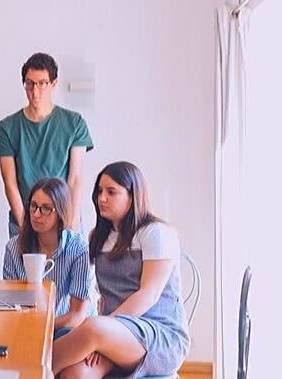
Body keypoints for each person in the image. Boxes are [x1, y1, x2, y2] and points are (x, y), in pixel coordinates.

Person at [52, 161, 189, 378]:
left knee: (92, 327)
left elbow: (149, 294)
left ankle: (29, 370)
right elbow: (104, 297)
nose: (101, 198)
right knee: (75, 373)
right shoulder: (98, 237)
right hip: (114, 335)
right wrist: (104, 335)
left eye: (111, 192)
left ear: (133, 196)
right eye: (99, 191)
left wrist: (104, 328)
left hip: (159, 336)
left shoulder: (155, 233)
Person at [0, 52, 94, 238]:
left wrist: (71, 224)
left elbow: (75, 178)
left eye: (42, 83)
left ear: (53, 84)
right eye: (29, 84)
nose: (35, 90)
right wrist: (25, 226)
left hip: (63, 218)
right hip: (24, 219)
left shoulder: (74, 123)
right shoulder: (7, 127)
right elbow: (10, 182)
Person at [2, 178, 96, 332]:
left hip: (67, 328)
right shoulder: (13, 247)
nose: (37, 214)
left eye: (46, 208)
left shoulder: (79, 248)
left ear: (60, 212)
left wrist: (41, 327)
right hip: (27, 327)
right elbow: (11, 305)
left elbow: (77, 315)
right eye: (33, 206)